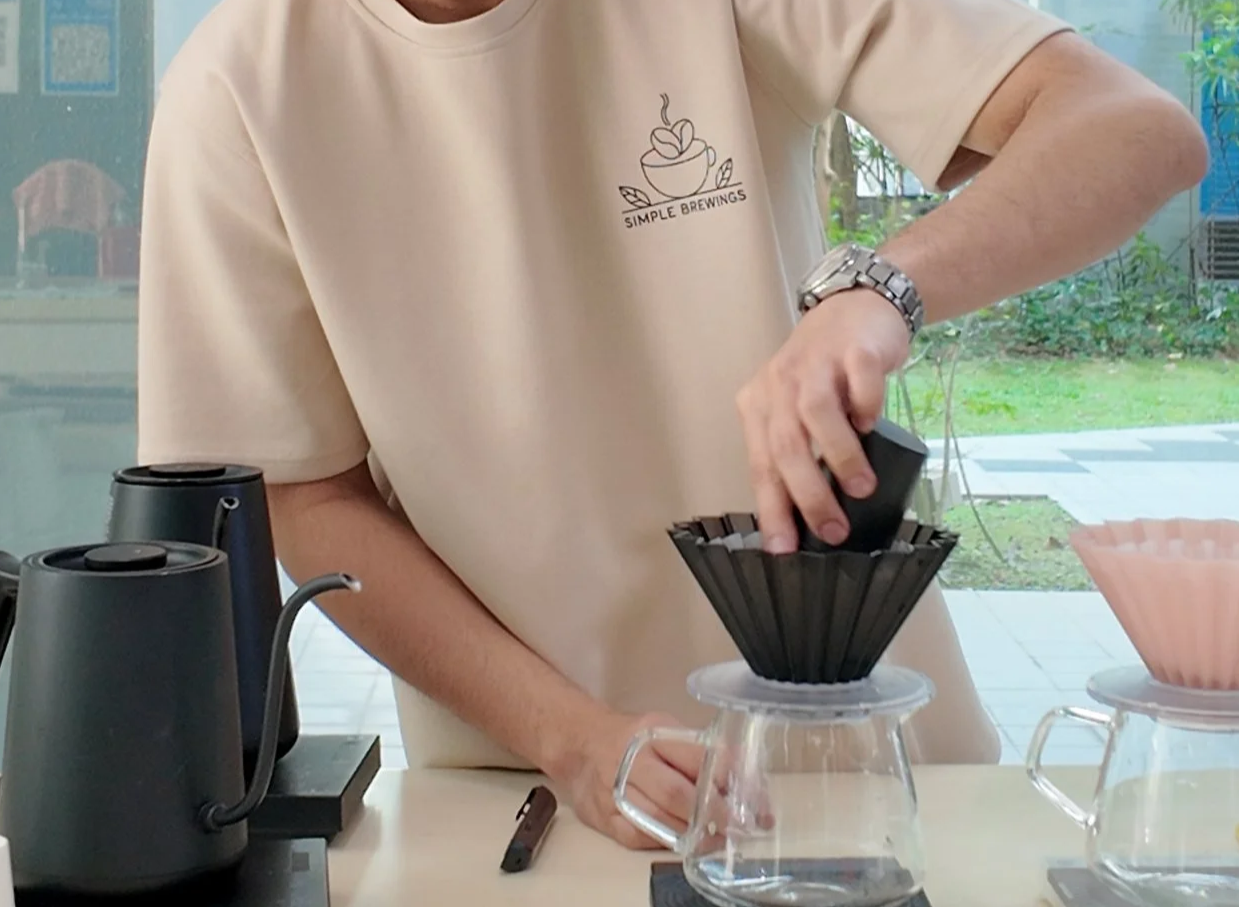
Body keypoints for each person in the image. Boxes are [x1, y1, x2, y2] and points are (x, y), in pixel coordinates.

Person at [136, 0, 1208, 850]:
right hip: (534, 807)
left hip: (871, 782)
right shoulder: (238, 87)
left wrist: (880, 290)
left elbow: (1131, 130)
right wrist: (568, 736)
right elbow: (303, 493)